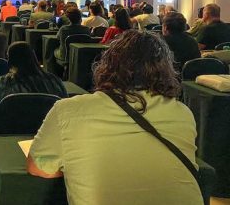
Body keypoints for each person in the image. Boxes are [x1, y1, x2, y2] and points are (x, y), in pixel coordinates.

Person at [28, 30, 202, 205]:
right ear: (167, 70)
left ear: (107, 65)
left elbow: (38, 167)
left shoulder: (68, 111)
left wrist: (73, 167)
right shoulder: (183, 113)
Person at [0, 41, 67, 134]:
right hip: (49, 138)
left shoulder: (3, 83)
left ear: (10, 61)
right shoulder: (55, 81)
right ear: (34, 57)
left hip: (10, 139)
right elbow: (67, 117)